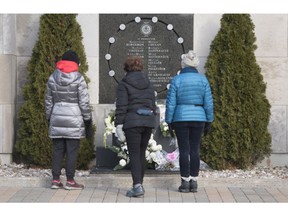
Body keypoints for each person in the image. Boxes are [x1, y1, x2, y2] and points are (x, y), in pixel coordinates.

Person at [165, 50, 214, 193]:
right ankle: (194, 181)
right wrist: (209, 120)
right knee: (195, 150)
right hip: (199, 117)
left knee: (184, 150)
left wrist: (169, 121)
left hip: (180, 118)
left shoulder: (176, 80)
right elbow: (208, 103)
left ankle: (185, 182)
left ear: (183, 64)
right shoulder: (203, 80)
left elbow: (171, 103)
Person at [45, 50, 93, 190]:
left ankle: (55, 180)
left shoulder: (53, 77)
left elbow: (48, 101)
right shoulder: (79, 78)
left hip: (57, 116)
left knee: (57, 150)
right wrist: (88, 120)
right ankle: (70, 181)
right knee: (72, 150)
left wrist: (49, 118)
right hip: (74, 118)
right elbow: (84, 102)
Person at [114, 56, 157, 197]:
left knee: (134, 154)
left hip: (132, 122)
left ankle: (137, 186)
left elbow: (121, 106)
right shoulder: (148, 83)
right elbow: (152, 104)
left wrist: (119, 125)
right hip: (147, 122)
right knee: (141, 154)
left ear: (126, 68)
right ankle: (139, 184)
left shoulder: (124, 84)